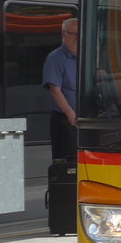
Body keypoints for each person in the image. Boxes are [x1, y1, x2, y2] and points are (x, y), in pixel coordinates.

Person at [43, 17, 78, 161]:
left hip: (83, 117)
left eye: (80, 34)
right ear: (63, 34)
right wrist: (70, 114)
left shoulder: (86, 56)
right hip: (65, 119)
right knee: (66, 162)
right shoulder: (55, 58)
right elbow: (55, 90)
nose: (77, 38)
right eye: (73, 33)